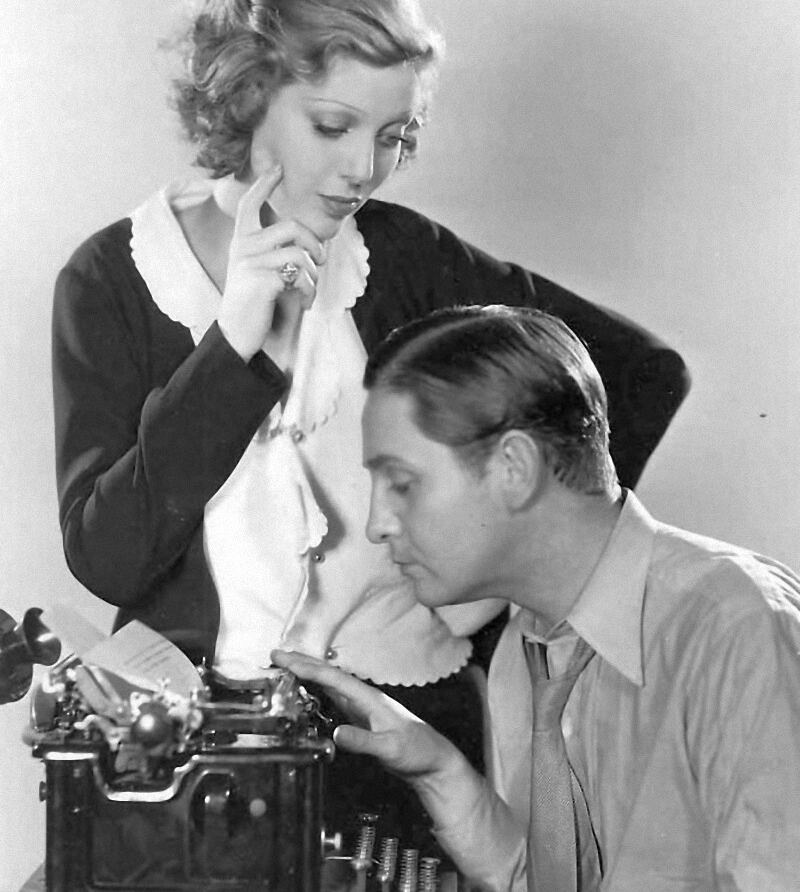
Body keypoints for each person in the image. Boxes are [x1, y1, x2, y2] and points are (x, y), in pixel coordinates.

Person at [51, 0, 687, 845]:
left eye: (392, 136)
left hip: (411, 737)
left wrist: (489, 589)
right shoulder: (111, 280)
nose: (363, 168)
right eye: (333, 125)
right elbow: (108, 560)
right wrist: (234, 345)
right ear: (248, 96)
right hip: (194, 757)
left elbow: (641, 374)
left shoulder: (408, 260)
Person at [275, 304, 800, 891]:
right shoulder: (524, 649)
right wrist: (447, 778)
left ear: (515, 468)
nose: (377, 525)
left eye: (402, 483)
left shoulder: (736, 628)